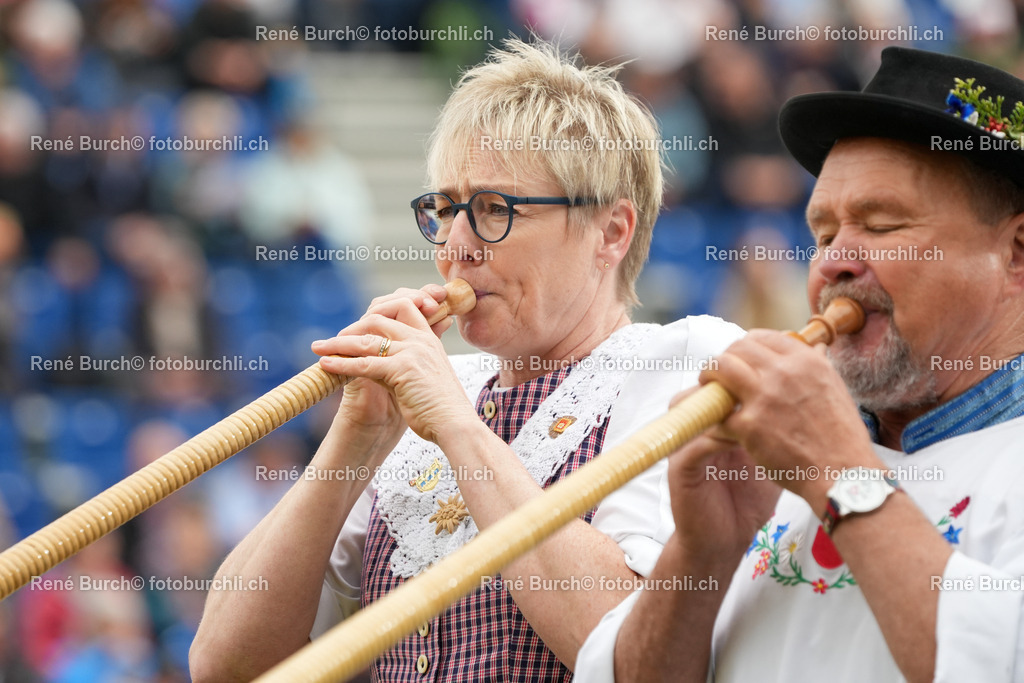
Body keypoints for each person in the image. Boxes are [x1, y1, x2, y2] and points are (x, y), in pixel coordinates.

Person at [189, 37, 743, 681]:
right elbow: (224, 667)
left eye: (493, 210)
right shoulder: (439, 389)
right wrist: (355, 439)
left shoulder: (679, 364)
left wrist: (458, 430)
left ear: (611, 231)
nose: (456, 247)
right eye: (444, 209)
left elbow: (631, 656)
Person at [575, 46, 1024, 683]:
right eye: (823, 234)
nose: (834, 263)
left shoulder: (816, 453)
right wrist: (703, 550)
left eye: (881, 225)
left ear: (1016, 253)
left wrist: (840, 471)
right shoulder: (775, 461)